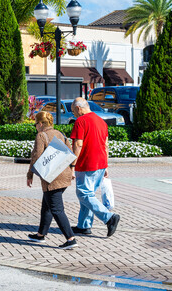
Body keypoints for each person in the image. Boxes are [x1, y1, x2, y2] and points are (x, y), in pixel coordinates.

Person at [26, 111, 77, 250]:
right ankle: (40, 234)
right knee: (47, 205)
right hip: (64, 173)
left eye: (36, 124)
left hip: (52, 177)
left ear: (41, 124)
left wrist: (29, 174)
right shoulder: (59, 133)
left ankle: (70, 238)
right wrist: (72, 169)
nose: (35, 126)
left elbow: (36, 157)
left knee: (56, 209)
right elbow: (70, 151)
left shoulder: (41, 135)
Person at [70, 97, 120, 237]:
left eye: (74, 111)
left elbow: (78, 144)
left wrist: (72, 164)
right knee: (89, 194)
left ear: (79, 108)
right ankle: (84, 225)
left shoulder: (81, 121)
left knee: (83, 194)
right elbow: (105, 145)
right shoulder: (101, 122)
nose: (74, 114)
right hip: (100, 163)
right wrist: (106, 166)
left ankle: (109, 218)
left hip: (86, 163)